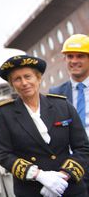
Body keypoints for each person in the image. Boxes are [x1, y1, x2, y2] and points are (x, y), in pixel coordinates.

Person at [0, 55, 89, 197]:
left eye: (28, 76)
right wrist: (39, 176)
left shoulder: (62, 106)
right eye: (17, 79)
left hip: (71, 188)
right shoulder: (4, 113)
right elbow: (3, 154)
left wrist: (63, 177)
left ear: (38, 78)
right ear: (12, 84)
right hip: (32, 190)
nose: (24, 83)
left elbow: (83, 147)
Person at [49, 34, 89, 193]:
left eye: (80, 56)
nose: (74, 61)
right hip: (75, 167)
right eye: (69, 56)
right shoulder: (56, 94)